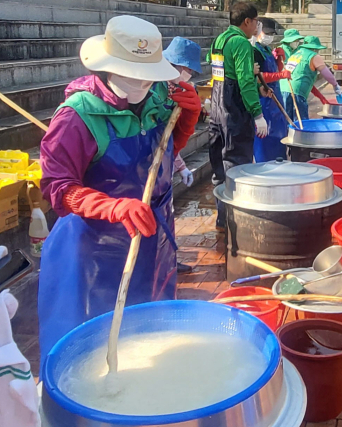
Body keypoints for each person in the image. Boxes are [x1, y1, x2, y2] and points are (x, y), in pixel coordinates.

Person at [38, 15, 202, 368]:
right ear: (108, 67)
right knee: (93, 351)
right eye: (132, 72)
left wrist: (187, 117)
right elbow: (57, 187)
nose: (143, 82)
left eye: (149, 74)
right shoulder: (77, 117)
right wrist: (111, 207)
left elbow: (165, 151)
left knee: (150, 336)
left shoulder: (158, 98)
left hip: (152, 235)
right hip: (94, 249)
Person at [208, 2, 265, 230]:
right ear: (247, 22)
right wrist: (257, 113)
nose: (257, 27)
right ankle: (236, 222)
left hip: (217, 107)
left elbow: (220, 73)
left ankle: (222, 218)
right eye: (256, 22)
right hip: (233, 110)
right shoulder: (241, 42)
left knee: (218, 164)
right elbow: (244, 81)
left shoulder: (219, 40)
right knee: (237, 163)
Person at [159, 36, 201, 274]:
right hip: (141, 168)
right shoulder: (153, 89)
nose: (185, 75)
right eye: (181, 69)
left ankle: (169, 260)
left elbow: (171, 142)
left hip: (164, 165)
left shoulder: (182, 91)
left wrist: (180, 166)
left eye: (188, 71)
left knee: (167, 217)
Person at [253, 17, 290, 162]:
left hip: (276, 101)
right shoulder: (254, 51)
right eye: (266, 33)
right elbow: (257, 77)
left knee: (279, 141)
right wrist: (280, 74)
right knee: (264, 143)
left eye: (272, 34)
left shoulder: (267, 49)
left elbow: (274, 70)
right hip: (264, 102)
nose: (269, 37)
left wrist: (279, 61)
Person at [280, 35, 341, 122]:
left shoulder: (296, 54)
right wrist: (335, 85)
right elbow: (327, 74)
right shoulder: (313, 56)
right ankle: (301, 135)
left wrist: (321, 97)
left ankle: (289, 135)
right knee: (300, 121)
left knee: (287, 121)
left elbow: (301, 78)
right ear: (315, 48)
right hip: (297, 92)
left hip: (284, 89)